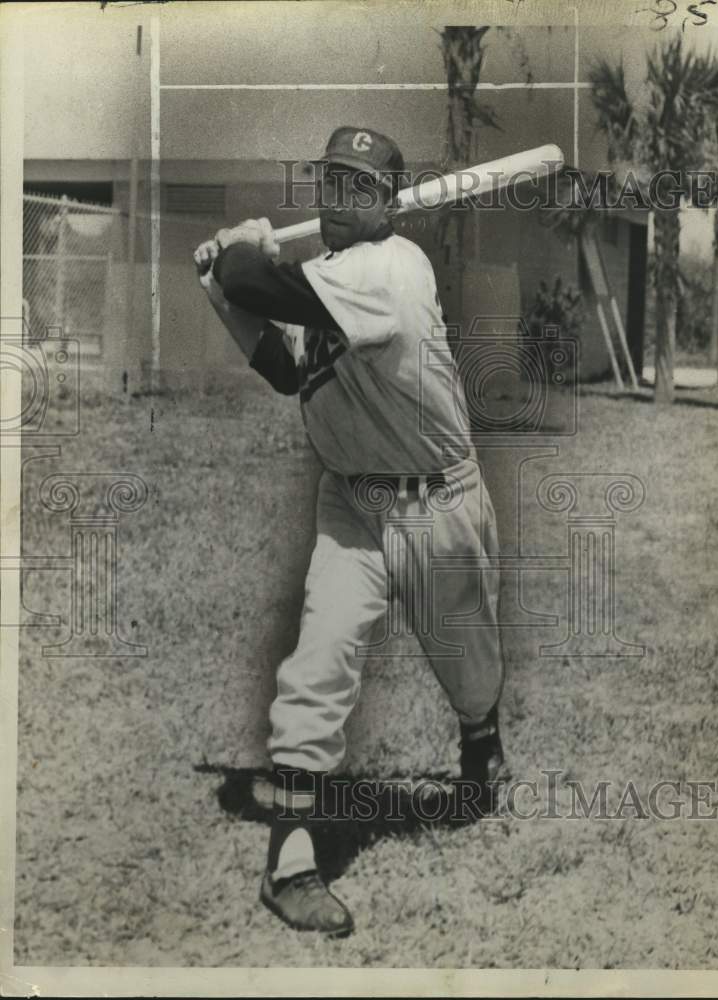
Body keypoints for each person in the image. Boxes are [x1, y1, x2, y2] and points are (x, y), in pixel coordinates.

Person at [193, 127, 505, 938]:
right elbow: (288, 369)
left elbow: (266, 284)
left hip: (438, 498)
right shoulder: (330, 271)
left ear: (388, 207)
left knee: (470, 668)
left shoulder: (395, 269)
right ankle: (290, 862)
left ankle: (481, 745)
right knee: (319, 661)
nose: (340, 199)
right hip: (352, 504)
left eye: (361, 188)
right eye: (332, 182)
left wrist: (239, 258)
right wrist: (225, 294)